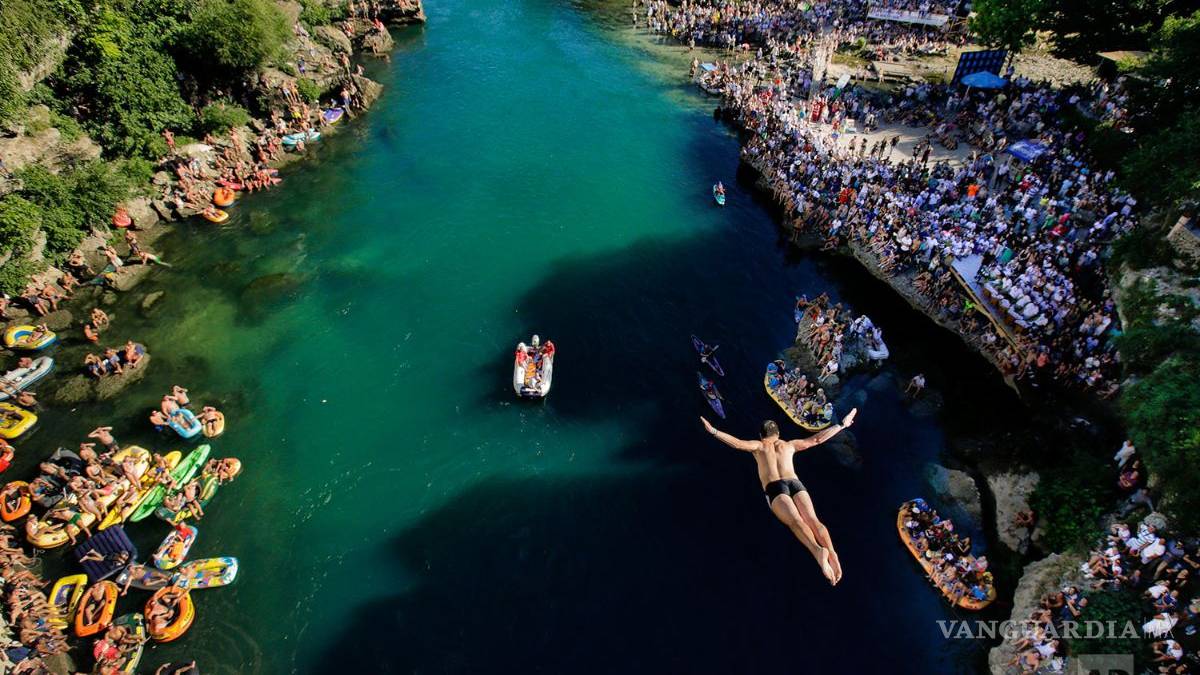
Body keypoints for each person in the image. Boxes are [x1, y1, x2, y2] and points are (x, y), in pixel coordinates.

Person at [700, 409, 858, 585]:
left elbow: (737, 444)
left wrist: (713, 431)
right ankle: (832, 553)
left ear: (762, 435)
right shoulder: (789, 445)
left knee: (796, 522)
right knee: (813, 520)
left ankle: (817, 551)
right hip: (795, 484)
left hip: (775, 488)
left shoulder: (759, 446)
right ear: (778, 434)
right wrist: (841, 425)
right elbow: (816, 439)